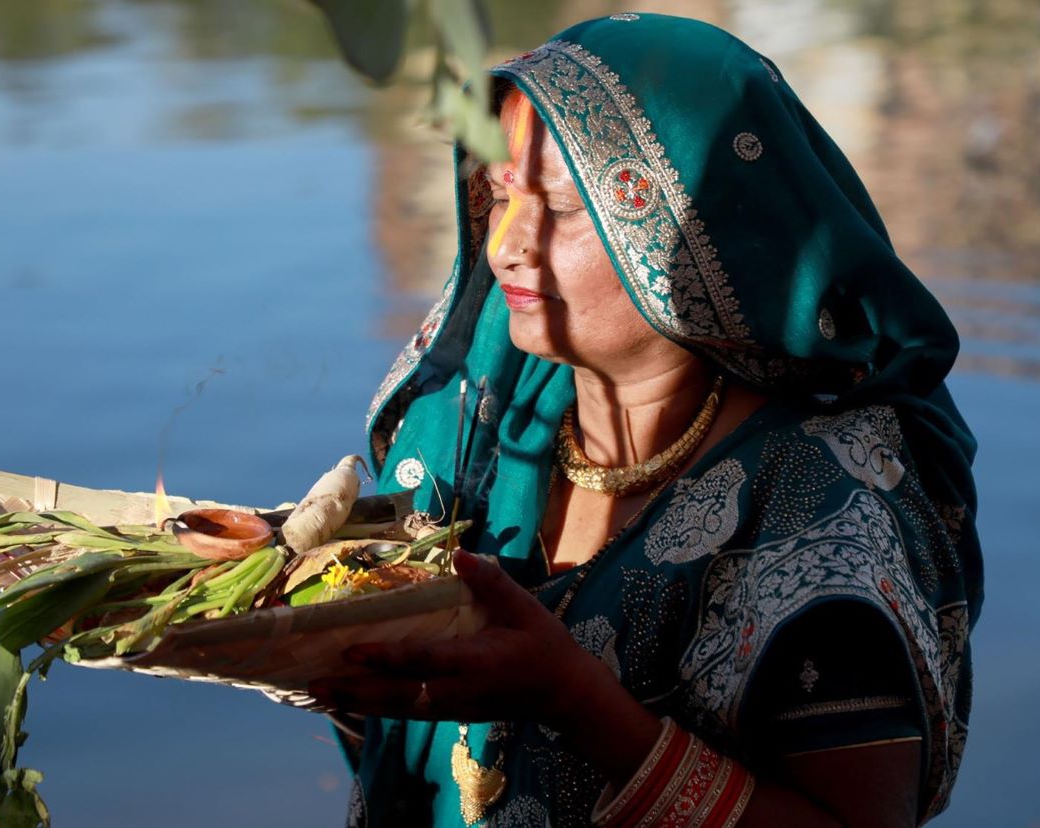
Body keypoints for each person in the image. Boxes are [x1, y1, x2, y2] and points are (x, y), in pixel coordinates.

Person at [309, 13, 982, 827]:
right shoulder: (486, 421)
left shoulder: (821, 509)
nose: (508, 246)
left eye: (559, 203)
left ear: (697, 231)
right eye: (497, 193)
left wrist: (576, 700)